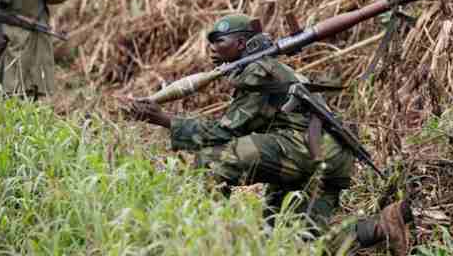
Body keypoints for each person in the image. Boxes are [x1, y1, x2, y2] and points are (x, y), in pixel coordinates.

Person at [125, 14, 415, 255]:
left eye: (219, 41)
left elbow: (224, 132)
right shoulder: (265, 69)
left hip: (306, 151)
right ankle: (383, 226)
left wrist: (164, 120)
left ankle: (206, 239)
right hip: (328, 161)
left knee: (213, 159)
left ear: (240, 43)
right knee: (293, 244)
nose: (212, 48)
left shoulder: (259, 71)